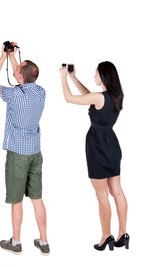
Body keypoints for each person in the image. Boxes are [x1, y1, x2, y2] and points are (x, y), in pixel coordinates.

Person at [0, 42, 49, 256]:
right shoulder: (40, 92)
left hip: (18, 155)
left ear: (20, 77)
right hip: (35, 152)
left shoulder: (14, 95)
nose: (16, 66)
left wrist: (3, 57)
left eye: (18, 67)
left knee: (16, 200)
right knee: (37, 197)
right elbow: (24, 76)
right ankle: (44, 241)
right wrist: (13, 56)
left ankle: (16, 242)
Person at [60, 61, 129, 251]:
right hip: (112, 146)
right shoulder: (115, 95)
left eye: (96, 73)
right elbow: (90, 96)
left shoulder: (99, 97)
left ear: (104, 76)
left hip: (98, 148)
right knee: (117, 191)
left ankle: (106, 236)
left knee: (102, 195)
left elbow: (69, 98)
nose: (94, 76)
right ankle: (123, 233)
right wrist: (74, 78)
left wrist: (63, 78)